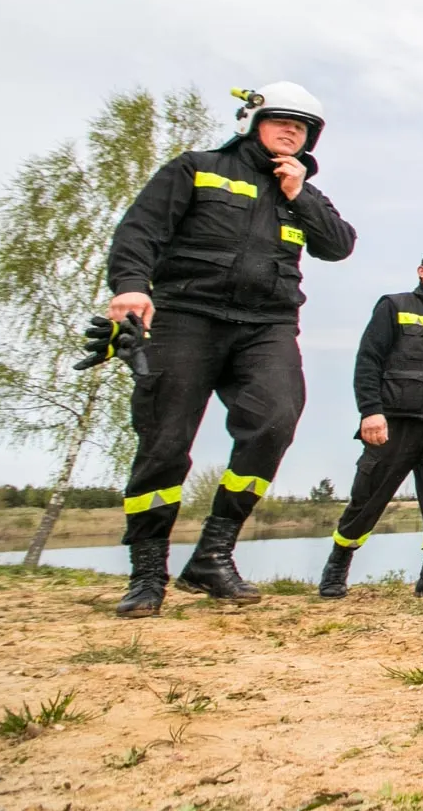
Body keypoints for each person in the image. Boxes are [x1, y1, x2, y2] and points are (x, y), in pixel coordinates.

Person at [97, 84, 356, 618]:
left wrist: (299, 194)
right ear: (251, 120)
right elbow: (140, 231)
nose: (292, 133)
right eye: (282, 121)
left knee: (274, 422)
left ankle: (214, 554)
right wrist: (130, 286)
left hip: (266, 325)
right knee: (165, 442)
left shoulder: (301, 190)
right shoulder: (197, 168)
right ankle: (148, 573)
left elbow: (339, 245)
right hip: (186, 316)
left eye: (303, 128)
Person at [318, 248, 423, 599]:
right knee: (369, 496)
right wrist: (370, 411)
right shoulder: (394, 306)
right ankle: (337, 566)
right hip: (395, 423)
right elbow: (369, 360)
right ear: (422, 271)